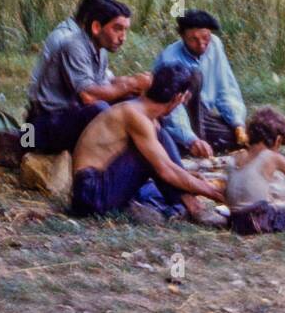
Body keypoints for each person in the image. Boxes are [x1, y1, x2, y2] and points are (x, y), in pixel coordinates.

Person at [71, 63, 226, 225]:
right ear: (178, 98)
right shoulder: (135, 116)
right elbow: (166, 171)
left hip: (92, 190)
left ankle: (188, 205)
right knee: (155, 148)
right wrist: (213, 192)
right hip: (90, 195)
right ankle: (194, 207)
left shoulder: (140, 111)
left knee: (160, 137)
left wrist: (191, 181)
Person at [25, 0, 151, 154]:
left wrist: (139, 87)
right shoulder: (71, 43)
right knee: (100, 110)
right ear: (96, 27)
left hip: (70, 115)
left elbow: (106, 86)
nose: (123, 38)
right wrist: (131, 84)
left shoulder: (99, 47)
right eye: (117, 29)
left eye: (125, 30)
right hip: (48, 121)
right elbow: (89, 96)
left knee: (133, 104)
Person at [153, 9, 248, 158]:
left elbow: (226, 87)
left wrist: (237, 123)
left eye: (206, 37)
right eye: (193, 39)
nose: (201, 44)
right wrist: (190, 139)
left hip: (204, 116)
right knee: (195, 77)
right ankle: (188, 143)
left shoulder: (215, 45)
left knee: (241, 137)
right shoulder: (169, 59)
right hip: (177, 114)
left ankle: (201, 143)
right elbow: (172, 110)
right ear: (182, 36)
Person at [224, 107, 285, 234]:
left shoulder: (235, 158)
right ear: (278, 140)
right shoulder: (273, 157)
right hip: (259, 222)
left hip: (234, 222)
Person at [26, 0, 117, 96]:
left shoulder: (93, 38)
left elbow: (104, 77)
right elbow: (87, 91)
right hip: (55, 104)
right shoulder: (66, 39)